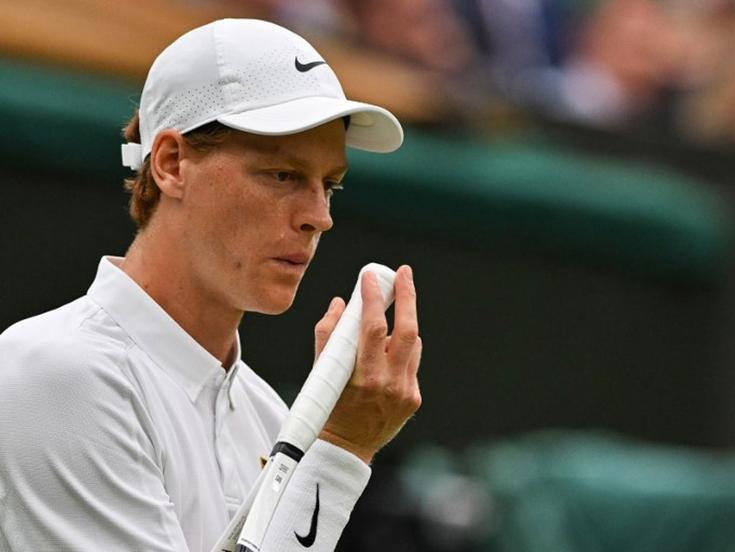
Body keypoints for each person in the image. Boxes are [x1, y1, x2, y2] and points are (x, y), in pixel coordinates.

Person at [0, 18, 421, 552]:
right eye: (283, 175)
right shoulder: (55, 373)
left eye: (330, 186)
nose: (320, 216)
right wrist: (340, 451)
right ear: (172, 164)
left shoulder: (267, 415)